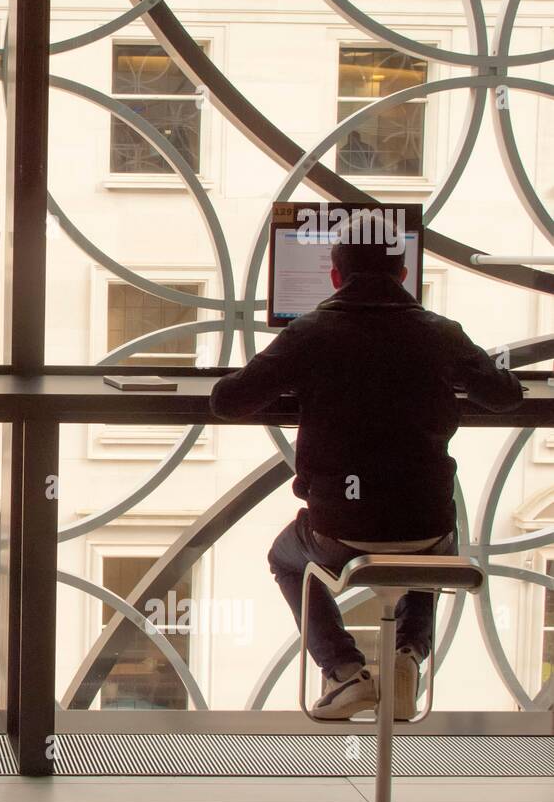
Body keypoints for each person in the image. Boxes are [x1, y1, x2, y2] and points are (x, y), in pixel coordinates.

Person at [211, 223, 522, 720]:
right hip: (426, 528)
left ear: (335, 276)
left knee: (286, 559)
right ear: (403, 274)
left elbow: (228, 401)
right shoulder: (440, 332)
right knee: (433, 537)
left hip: (341, 533)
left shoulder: (310, 332)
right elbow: (504, 396)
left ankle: (343, 672)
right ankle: (406, 659)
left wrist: (297, 375)